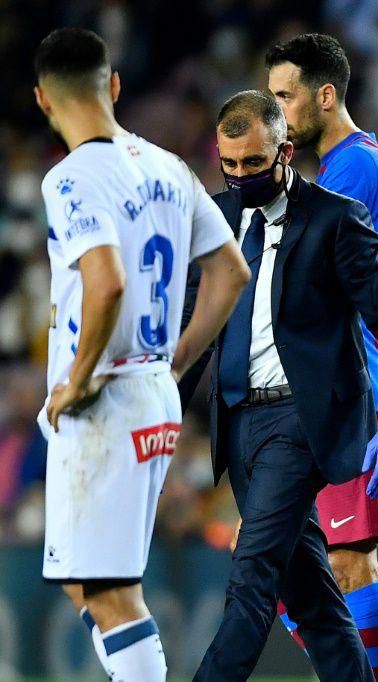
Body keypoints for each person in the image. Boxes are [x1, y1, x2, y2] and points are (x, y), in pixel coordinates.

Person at [33, 28, 248, 682]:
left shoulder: (70, 178)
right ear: (115, 86)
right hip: (151, 386)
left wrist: (77, 380)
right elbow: (230, 272)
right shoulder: (169, 168)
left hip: (106, 396)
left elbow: (107, 282)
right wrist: (175, 362)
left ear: (43, 100)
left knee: (113, 594)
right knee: (85, 583)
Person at [184, 90, 378, 680]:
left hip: (299, 421)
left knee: (252, 578)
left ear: (284, 152)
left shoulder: (335, 218)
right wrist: (163, 409)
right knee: (311, 596)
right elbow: (193, 326)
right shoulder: (214, 219)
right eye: (229, 164)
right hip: (236, 420)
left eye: (253, 163)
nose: (240, 176)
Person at [264, 34, 378, 679]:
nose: (275, 113)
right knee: (279, 559)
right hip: (327, 389)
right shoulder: (337, 169)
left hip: (353, 389)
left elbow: (305, 275)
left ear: (325, 95)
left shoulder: (355, 168)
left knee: (347, 561)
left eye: (284, 97)